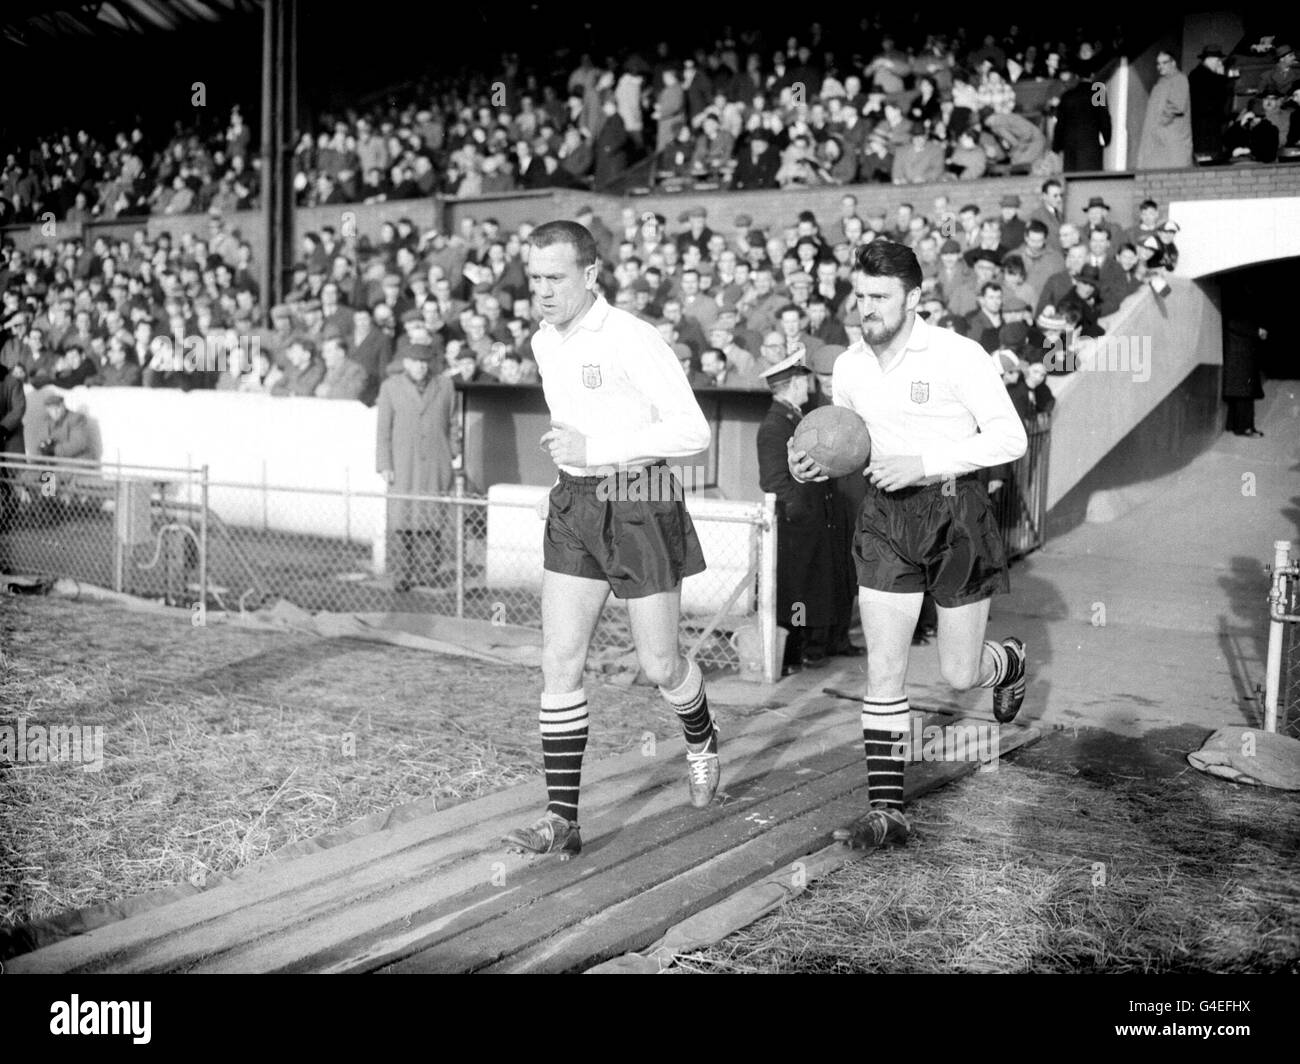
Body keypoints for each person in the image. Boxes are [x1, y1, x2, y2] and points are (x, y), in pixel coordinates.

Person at [788, 240, 1028, 850]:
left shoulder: (958, 355)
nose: (866, 308)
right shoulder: (848, 366)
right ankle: (888, 811)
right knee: (885, 670)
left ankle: (1008, 663)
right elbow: (848, 441)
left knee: (958, 673)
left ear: (914, 298)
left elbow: (1010, 438)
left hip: (955, 512)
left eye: (880, 297)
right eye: (860, 295)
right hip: (885, 520)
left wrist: (925, 463)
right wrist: (813, 462)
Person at [503, 220, 715, 858]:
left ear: (590, 275)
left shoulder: (632, 337)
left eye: (555, 278)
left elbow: (693, 432)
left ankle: (701, 736)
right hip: (574, 501)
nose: (541, 291)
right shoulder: (544, 340)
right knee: (559, 660)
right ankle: (562, 821)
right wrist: (579, 456)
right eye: (534, 278)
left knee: (658, 665)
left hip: (640, 497)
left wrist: (600, 448)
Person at [756, 353, 853, 673]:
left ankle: (811, 647)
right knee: (797, 591)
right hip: (796, 522)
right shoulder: (775, 425)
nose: (808, 388)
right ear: (794, 384)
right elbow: (772, 480)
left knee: (812, 586)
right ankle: (795, 654)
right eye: (804, 382)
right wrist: (799, 509)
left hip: (810, 517)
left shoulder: (795, 417)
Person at [375, 343, 459, 592]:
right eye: (415, 362)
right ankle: (401, 574)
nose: (421, 367)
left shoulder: (444, 385)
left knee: (431, 518)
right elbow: (383, 431)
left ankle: (427, 573)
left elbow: (453, 421)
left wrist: (453, 450)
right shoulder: (390, 387)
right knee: (402, 519)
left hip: (435, 462)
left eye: (425, 362)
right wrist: (384, 464)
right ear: (406, 363)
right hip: (402, 463)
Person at [1137, 51, 1194, 169]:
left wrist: (1159, 123)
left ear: (1173, 63)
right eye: (1158, 64)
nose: (1160, 66)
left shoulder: (1179, 79)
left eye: (1164, 63)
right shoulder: (1162, 82)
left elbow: (1176, 106)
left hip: (1172, 140)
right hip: (1161, 140)